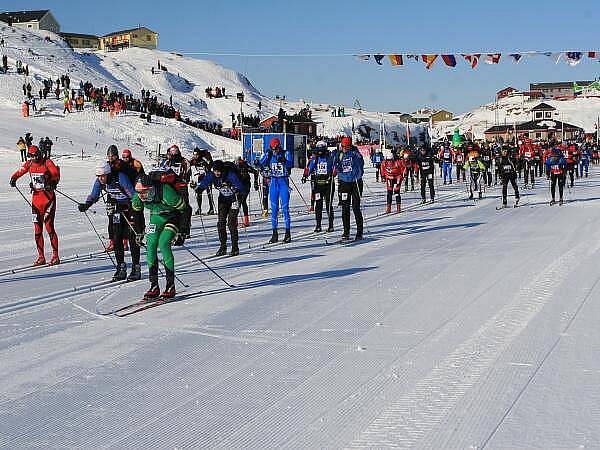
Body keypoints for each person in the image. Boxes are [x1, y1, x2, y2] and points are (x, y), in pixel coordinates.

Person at [78, 162, 141, 281]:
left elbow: (133, 196)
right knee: (116, 237)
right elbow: (94, 194)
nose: (101, 179)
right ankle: (121, 268)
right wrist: (87, 204)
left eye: (103, 176)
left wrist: (131, 208)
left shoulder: (120, 178)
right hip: (118, 209)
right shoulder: (99, 181)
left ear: (108, 174)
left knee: (132, 239)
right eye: (98, 176)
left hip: (130, 208)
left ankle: (136, 268)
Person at [132, 174, 187, 300]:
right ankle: (154, 286)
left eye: (144, 192)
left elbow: (186, 209)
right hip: (156, 217)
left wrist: (182, 232)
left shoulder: (166, 192)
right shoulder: (138, 196)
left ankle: (170, 286)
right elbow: (136, 212)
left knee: (163, 243)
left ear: (151, 188)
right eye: (138, 192)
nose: (141, 195)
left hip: (173, 216)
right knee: (150, 245)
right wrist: (139, 231)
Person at [9, 145, 61, 266]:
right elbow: (20, 171)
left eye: (35, 156)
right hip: (36, 201)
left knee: (49, 227)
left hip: (48, 200)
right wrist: (14, 178)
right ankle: (41, 257)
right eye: (31, 156)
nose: (33, 159)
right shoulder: (29, 164)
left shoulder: (47, 162)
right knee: (37, 229)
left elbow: (56, 174)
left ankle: (55, 255)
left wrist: (53, 183)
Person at [196, 160, 246, 256]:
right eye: (215, 171)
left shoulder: (230, 175)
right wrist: (200, 189)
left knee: (231, 223)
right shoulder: (212, 175)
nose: (217, 173)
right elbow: (205, 182)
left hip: (234, 199)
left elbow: (242, 188)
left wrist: (237, 190)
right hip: (223, 199)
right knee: (221, 223)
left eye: (218, 171)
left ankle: (235, 247)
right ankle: (223, 246)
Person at [259, 138, 293, 244]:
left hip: (283, 182)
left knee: (285, 209)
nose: (275, 150)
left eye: (277, 148)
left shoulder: (286, 153)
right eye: (273, 148)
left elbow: (290, 164)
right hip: (273, 182)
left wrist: (284, 161)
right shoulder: (269, 154)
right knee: (274, 209)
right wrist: (257, 162)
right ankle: (274, 234)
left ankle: (288, 234)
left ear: (280, 146)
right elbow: (260, 164)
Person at [333, 136, 364, 241]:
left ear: (351, 146)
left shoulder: (356, 153)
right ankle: (346, 232)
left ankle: (359, 232)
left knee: (356, 207)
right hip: (344, 183)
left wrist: (357, 159)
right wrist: (336, 165)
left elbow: (361, 164)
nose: (345, 148)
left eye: (347, 146)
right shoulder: (339, 153)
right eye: (343, 146)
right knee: (345, 208)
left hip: (355, 182)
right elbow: (333, 163)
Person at [160, 145, 192, 238]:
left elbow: (187, 172)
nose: (173, 154)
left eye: (175, 152)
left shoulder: (184, 161)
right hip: (170, 187)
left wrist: (184, 178)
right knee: (172, 207)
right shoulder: (167, 162)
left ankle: (185, 229)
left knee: (184, 207)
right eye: (171, 152)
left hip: (181, 186)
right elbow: (162, 171)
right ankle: (174, 228)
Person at [303, 141, 335, 232]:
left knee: (328, 204)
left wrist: (334, 172)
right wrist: (305, 176)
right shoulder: (315, 159)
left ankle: (331, 225)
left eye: (322, 150)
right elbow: (310, 168)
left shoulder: (330, 158)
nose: (320, 152)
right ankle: (318, 225)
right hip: (318, 185)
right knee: (318, 205)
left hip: (328, 184)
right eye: (318, 150)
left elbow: (335, 167)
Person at [189, 148, 214, 215]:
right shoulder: (192, 161)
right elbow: (190, 170)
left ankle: (211, 208)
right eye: (194, 154)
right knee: (198, 193)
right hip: (199, 179)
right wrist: (192, 180)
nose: (195, 156)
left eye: (197, 154)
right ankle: (199, 209)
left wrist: (207, 168)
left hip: (207, 178)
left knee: (209, 194)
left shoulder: (204, 159)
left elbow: (211, 165)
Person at [235, 156, 259, 227]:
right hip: (237, 186)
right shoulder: (234, 167)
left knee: (242, 201)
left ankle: (246, 221)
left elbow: (255, 172)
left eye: (239, 161)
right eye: (237, 162)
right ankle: (234, 220)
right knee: (236, 202)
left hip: (246, 186)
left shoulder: (245, 165)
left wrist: (255, 183)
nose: (238, 163)